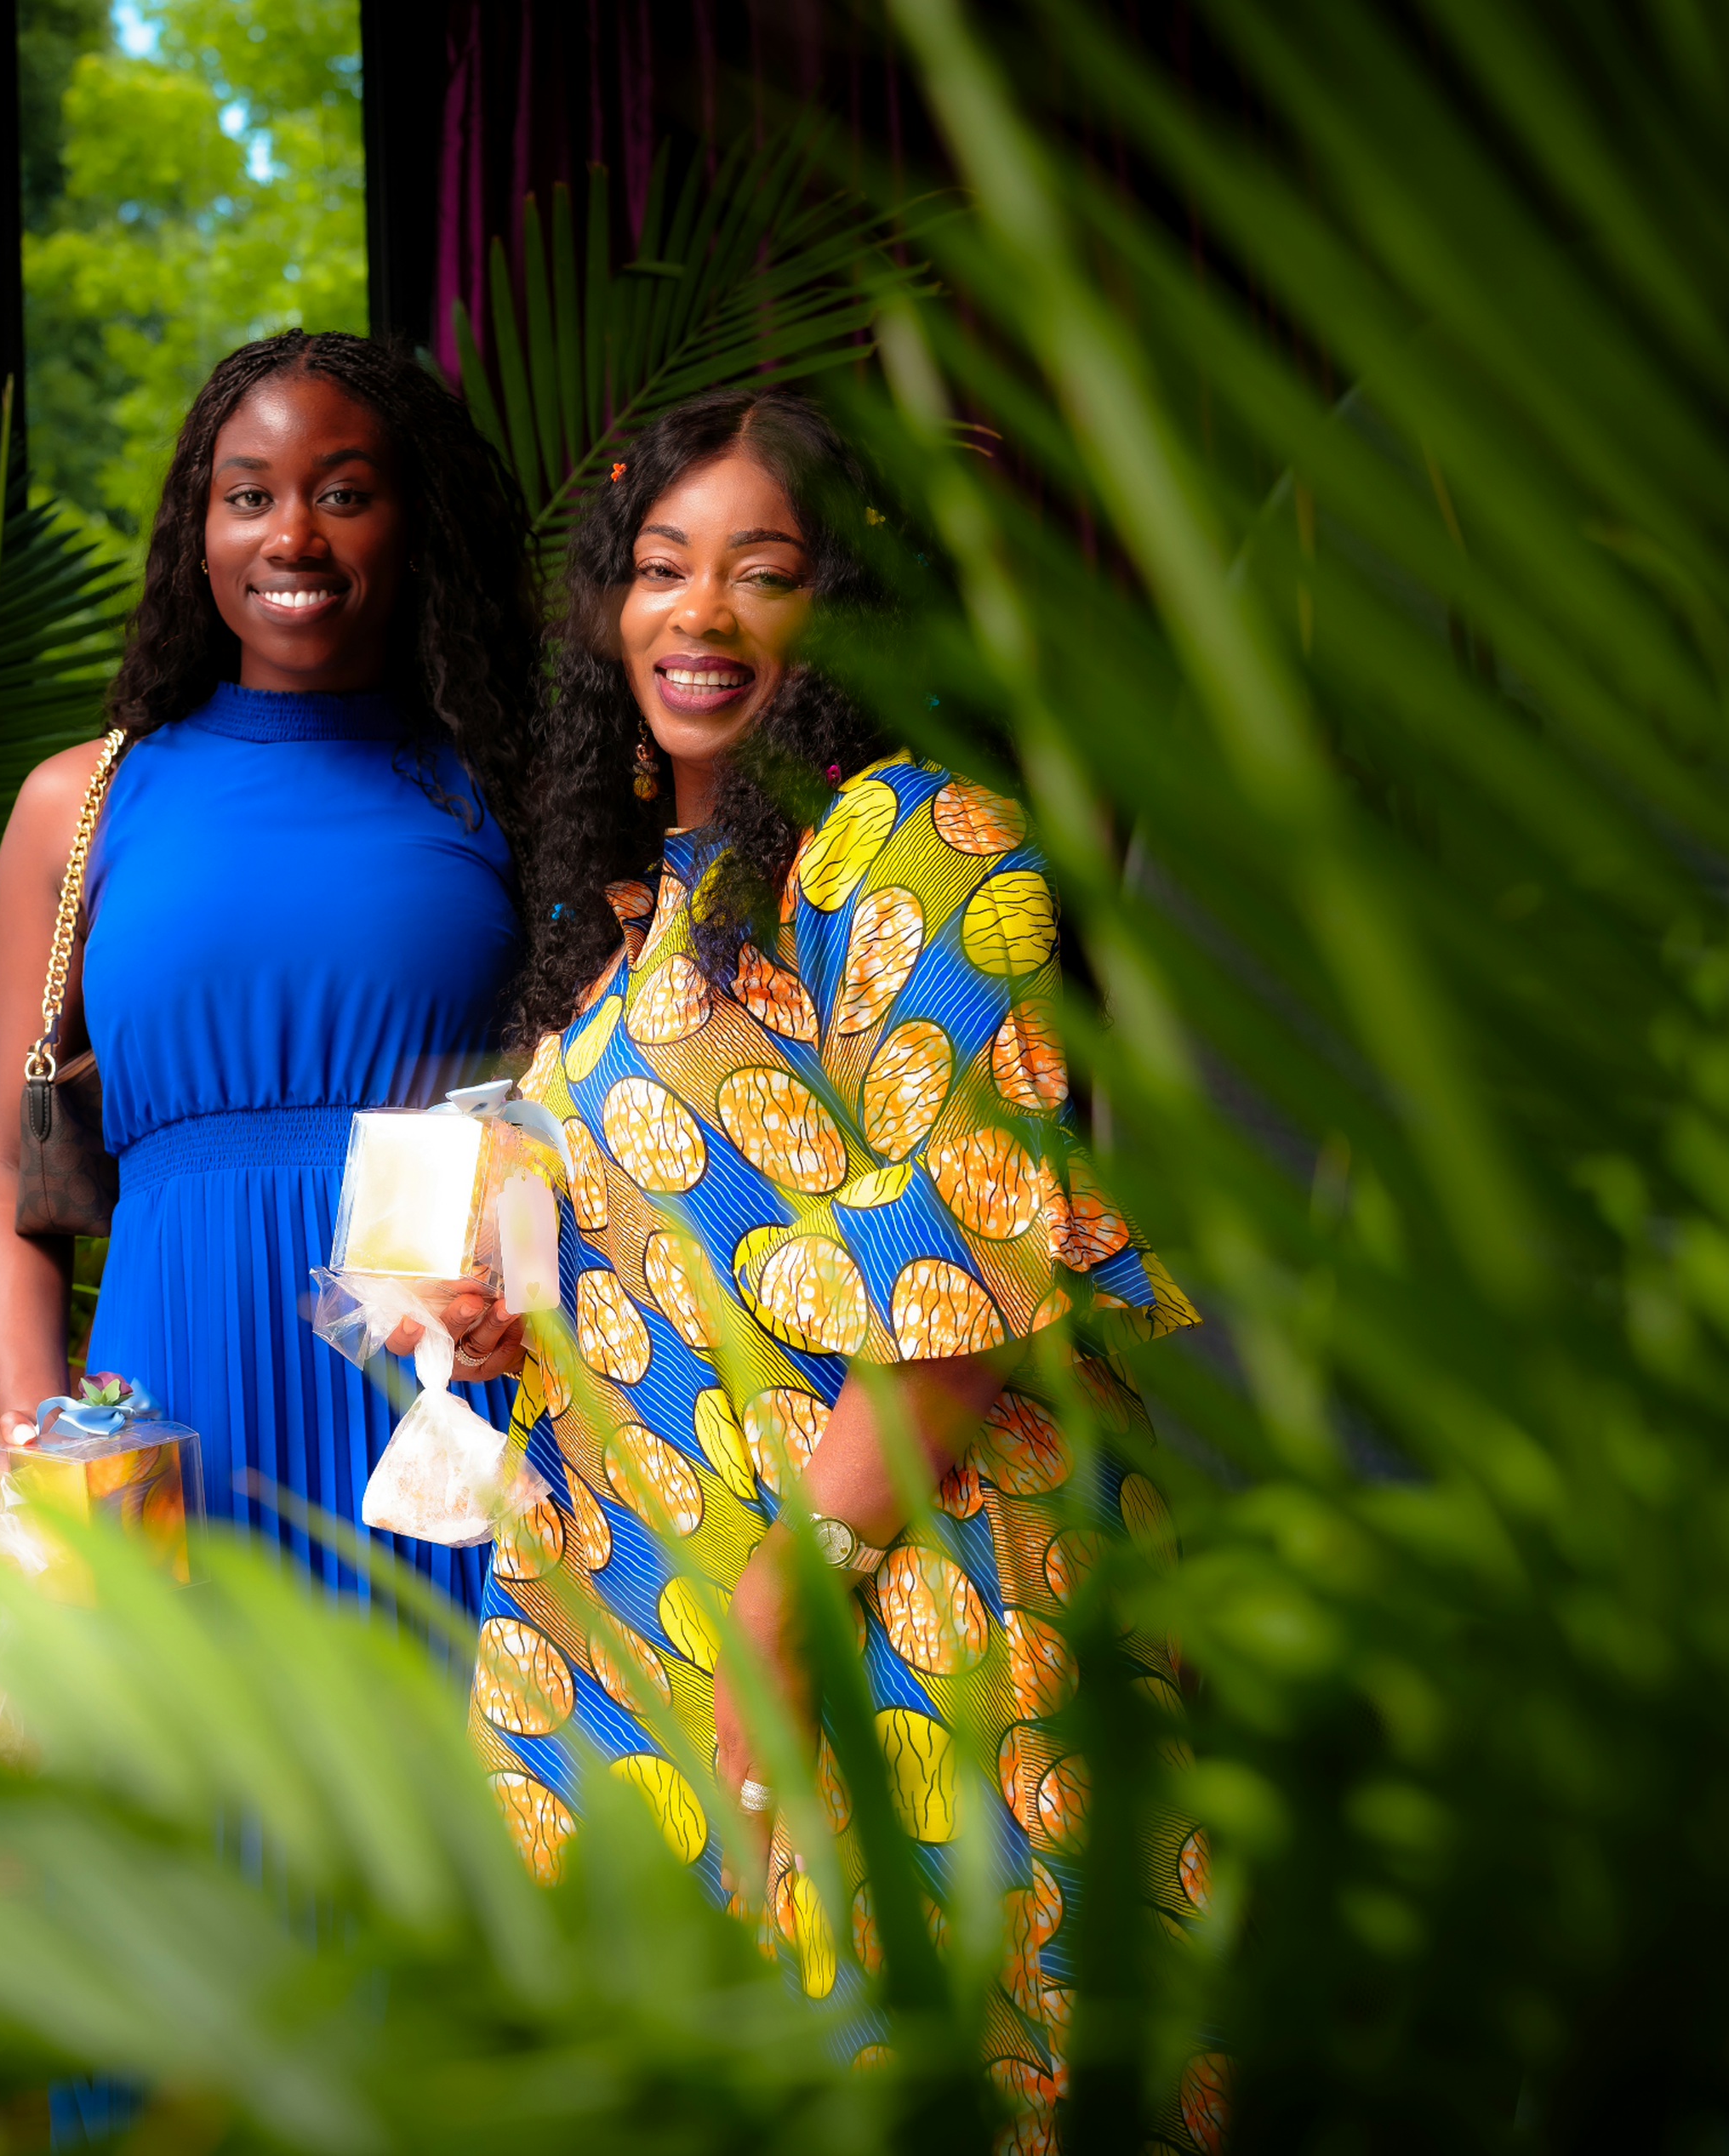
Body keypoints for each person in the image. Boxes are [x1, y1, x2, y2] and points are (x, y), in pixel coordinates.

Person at [456, 386, 1219, 2147]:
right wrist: (504, 1301)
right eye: (658, 570)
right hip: (645, 1615)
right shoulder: (648, 896)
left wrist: (787, 1603)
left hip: (892, 1593)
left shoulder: (923, 842)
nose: (697, 614)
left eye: (760, 571)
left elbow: (959, 1280)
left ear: (843, 606)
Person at [0, 330, 537, 1616]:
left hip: (437, 1424)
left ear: (415, 522)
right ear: (198, 531)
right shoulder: (84, 804)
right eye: (249, 495)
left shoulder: (505, 795)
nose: (292, 535)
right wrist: (32, 1427)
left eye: (342, 492)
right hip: (169, 1421)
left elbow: (598, 1129)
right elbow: (10, 1178)